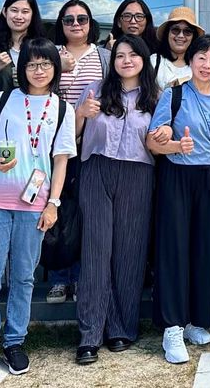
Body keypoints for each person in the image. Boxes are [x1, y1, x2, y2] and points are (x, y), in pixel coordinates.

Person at [0, 37, 75, 379]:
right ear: (21, 68)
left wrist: (53, 203)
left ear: (55, 68)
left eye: (45, 64)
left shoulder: (62, 108)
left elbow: (61, 161)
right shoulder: (2, 100)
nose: (39, 70)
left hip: (34, 205)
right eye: (31, 64)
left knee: (24, 275)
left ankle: (14, 341)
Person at [146, 35, 210, 365]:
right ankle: (171, 327)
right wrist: (175, 145)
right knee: (173, 249)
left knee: (203, 248)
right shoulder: (173, 95)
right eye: (201, 58)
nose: (207, 65)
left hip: (209, 177)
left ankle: (195, 321)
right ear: (191, 60)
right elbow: (153, 141)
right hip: (176, 175)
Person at [75, 35, 159, 364]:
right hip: (96, 169)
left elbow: (159, 142)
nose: (126, 60)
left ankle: (121, 327)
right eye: (119, 55)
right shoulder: (94, 90)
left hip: (138, 173)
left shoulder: (156, 97)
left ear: (144, 59)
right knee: (96, 249)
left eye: (133, 55)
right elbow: (71, 135)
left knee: (129, 251)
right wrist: (81, 113)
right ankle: (90, 333)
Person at [49, 0, 109, 304]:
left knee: (87, 212)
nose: (75, 24)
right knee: (58, 210)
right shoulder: (51, 54)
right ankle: (59, 278)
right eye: (69, 19)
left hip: (93, 145)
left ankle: (83, 276)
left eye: (82, 19)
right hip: (56, 143)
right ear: (61, 24)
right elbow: (35, 88)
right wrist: (58, 68)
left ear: (90, 24)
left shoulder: (104, 56)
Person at [153, 6, 202, 88]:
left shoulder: (199, 65)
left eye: (187, 31)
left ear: (193, 37)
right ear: (167, 33)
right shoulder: (154, 62)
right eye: (175, 30)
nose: (181, 36)